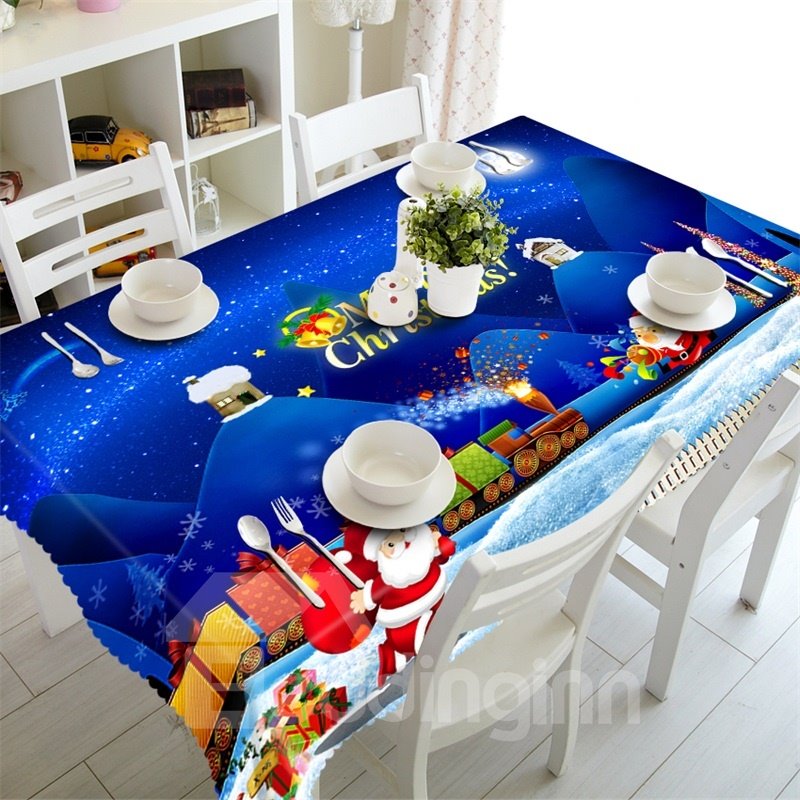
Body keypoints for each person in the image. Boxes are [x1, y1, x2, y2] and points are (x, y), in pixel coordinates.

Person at [350, 524, 456, 686]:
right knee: (414, 635)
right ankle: (399, 652)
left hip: (434, 602)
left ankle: (396, 654)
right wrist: (364, 597)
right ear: (381, 552)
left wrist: (440, 545)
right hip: (405, 618)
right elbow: (376, 591)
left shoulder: (423, 553)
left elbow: (444, 554)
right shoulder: (391, 576)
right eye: (390, 544)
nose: (403, 541)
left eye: (403, 531)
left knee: (434, 621)